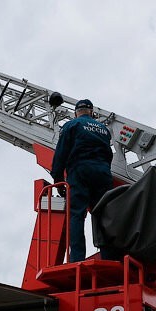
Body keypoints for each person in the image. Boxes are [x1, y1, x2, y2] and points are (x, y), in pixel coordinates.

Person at [50, 98, 114, 262]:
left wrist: (57, 177)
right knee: (103, 214)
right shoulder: (104, 130)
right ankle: (109, 256)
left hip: (80, 171)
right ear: (91, 112)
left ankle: (77, 258)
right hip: (103, 173)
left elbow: (61, 152)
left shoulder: (71, 125)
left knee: (76, 214)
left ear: (75, 113)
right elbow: (109, 154)